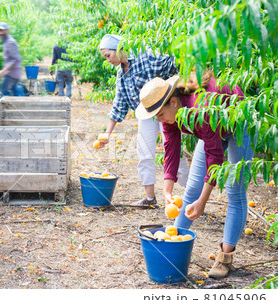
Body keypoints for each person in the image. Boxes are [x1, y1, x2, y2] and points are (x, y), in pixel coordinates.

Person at [136, 75, 253, 279]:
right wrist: (167, 190)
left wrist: (203, 201)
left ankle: (225, 258)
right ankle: (172, 242)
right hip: (213, 130)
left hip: (239, 123)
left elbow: (214, 157)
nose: (159, 119)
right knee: (191, 189)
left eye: (160, 114)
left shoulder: (201, 109)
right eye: (156, 116)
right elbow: (171, 149)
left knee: (235, 192)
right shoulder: (171, 113)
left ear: (174, 102)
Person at [98, 34, 189, 208]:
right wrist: (107, 133)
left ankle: (191, 194)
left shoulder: (146, 55)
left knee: (173, 150)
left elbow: (173, 62)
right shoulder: (121, 75)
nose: (108, 60)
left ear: (118, 48)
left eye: (108, 55)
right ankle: (149, 198)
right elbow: (119, 104)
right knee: (144, 153)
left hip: (164, 108)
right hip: (146, 113)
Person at [0, 22, 22, 96]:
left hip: (11, 75)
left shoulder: (10, 42)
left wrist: (3, 71)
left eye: (2, 30)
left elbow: (16, 60)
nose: (0, 33)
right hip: (13, 74)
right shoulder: (6, 41)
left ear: (7, 30)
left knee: (2, 95)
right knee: (14, 97)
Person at [51, 33, 73, 98]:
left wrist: (51, 69)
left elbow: (54, 59)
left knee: (60, 83)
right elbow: (74, 58)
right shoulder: (71, 45)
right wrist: (76, 68)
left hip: (60, 67)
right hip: (69, 67)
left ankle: (62, 98)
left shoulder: (56, 46)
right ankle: (68, 98)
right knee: (68, 82)